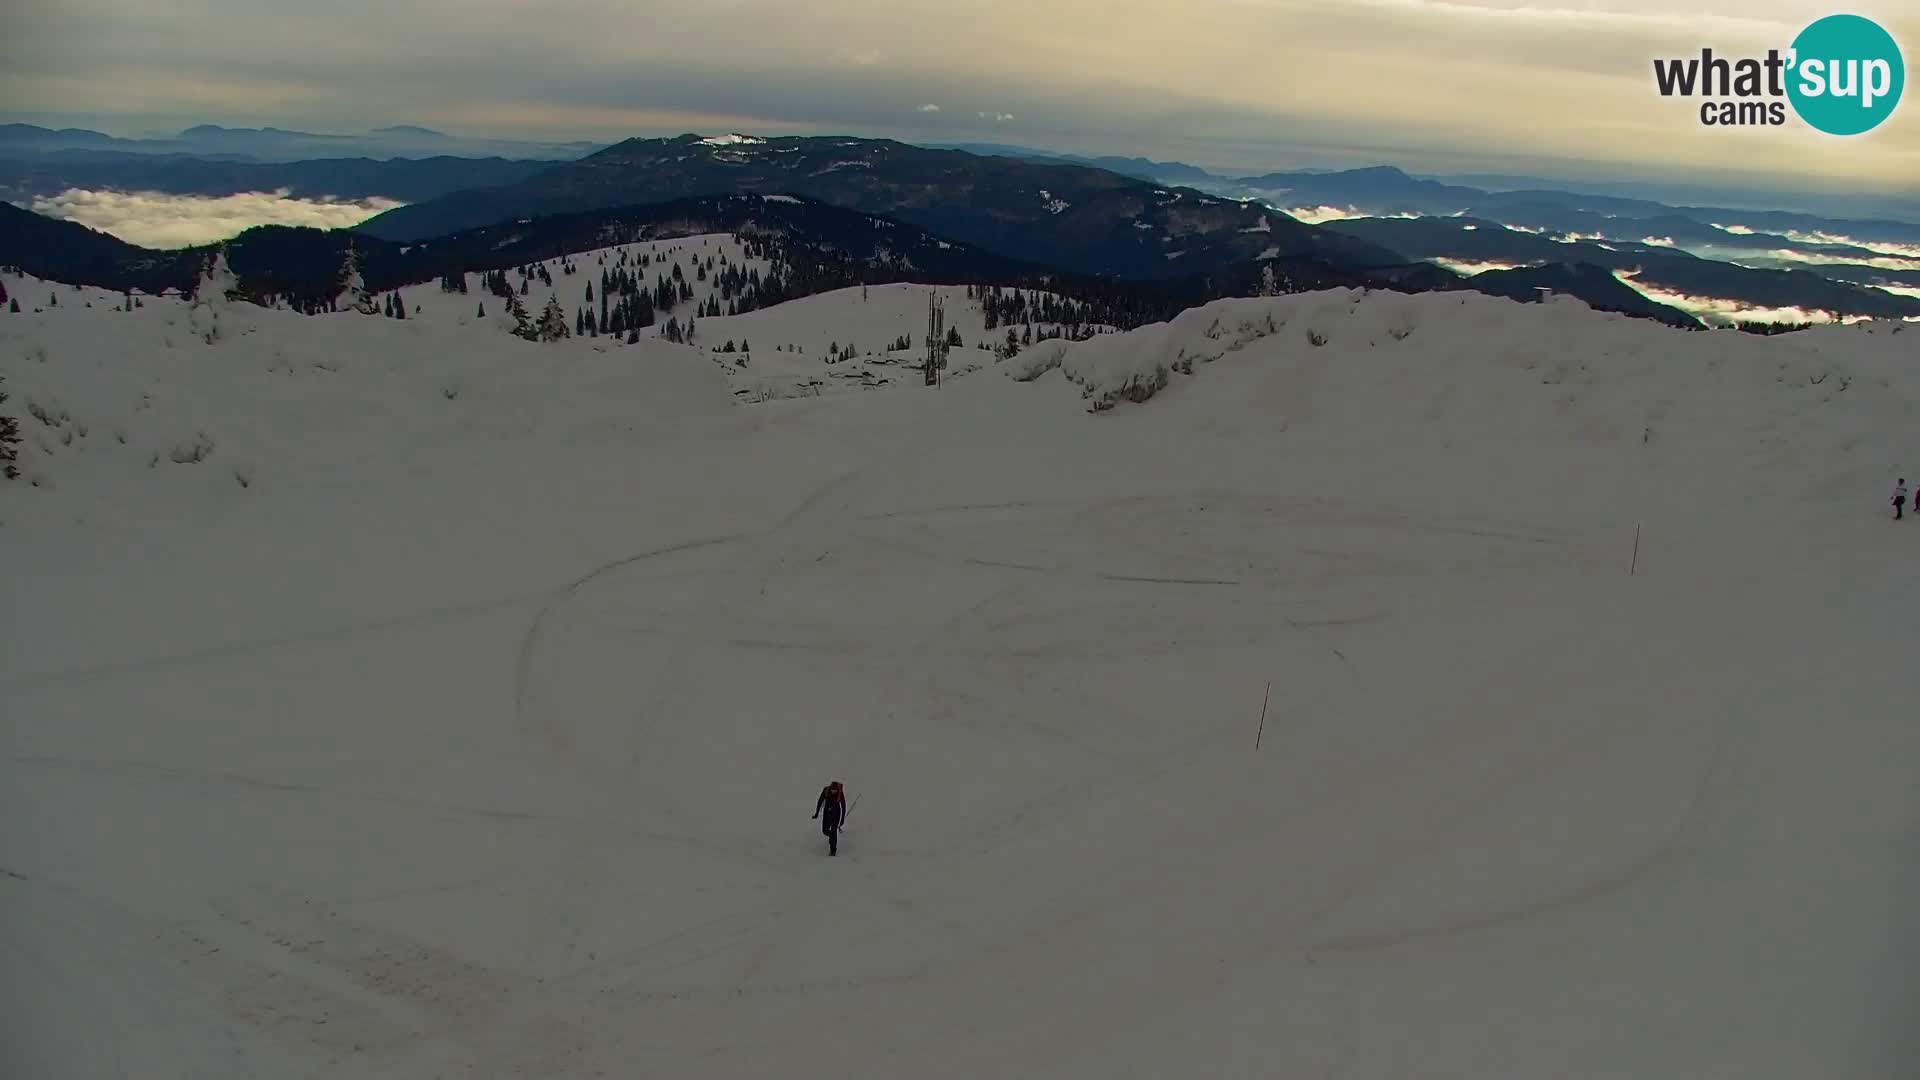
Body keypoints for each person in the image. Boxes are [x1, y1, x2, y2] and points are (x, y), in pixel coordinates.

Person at [813, 780, 848, 856]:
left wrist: (842, 819)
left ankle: (833, 850)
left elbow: (843, 806)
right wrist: (816, 813)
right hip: (827, 813)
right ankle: (831, 836)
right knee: (825, 831)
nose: (833, 792)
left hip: (836, 813)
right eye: (832, 790)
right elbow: (820, 801)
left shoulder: (840, 793)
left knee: (834, 831)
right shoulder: (826, 790)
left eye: (835, 790)